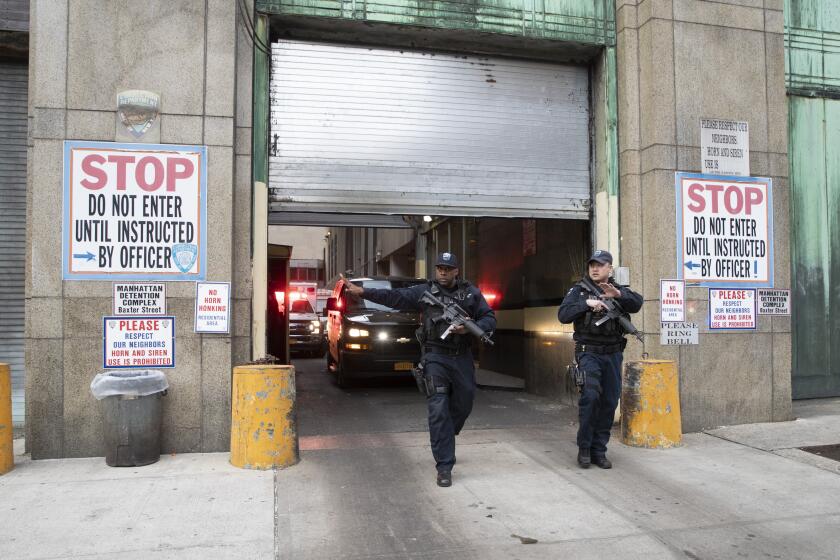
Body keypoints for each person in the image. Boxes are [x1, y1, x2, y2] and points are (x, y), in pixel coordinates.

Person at [342, 252, 496, 487]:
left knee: (464, 403)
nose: (443, 272)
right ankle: (444, 466)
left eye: (448, 268)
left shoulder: (470, 293)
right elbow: (394, 297)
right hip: (435, 356)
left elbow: (488, 317)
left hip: (461, 357)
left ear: (457, 271)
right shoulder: (424, 293)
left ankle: (447, 434)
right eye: (439, 268)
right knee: (438, 408)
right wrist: (364, 292)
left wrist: (469, 329)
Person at [558, 250, 642, 470]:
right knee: (591, 397)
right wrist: (586, 303)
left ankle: (599, 450)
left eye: (600, 265)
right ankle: (584, 448)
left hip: (613, 354)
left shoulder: (616, 290)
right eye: (592, 265)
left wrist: (618, 295)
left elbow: (637, 303)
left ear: (609, 268)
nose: (595, 268)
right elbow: (563, 315)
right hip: (589, 353)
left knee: (609, 401)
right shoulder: (578, 291)